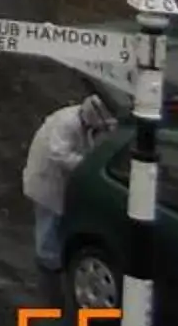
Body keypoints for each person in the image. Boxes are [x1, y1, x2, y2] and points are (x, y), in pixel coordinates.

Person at [23, 93, 114, 273]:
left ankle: (54, 255)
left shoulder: (84, 122)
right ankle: (47, 260)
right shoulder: (67, 124)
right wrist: (86, 165)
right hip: (46, 178)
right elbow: (58, 153)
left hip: (58, 180)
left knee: (57, 218)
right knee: (48, 219)